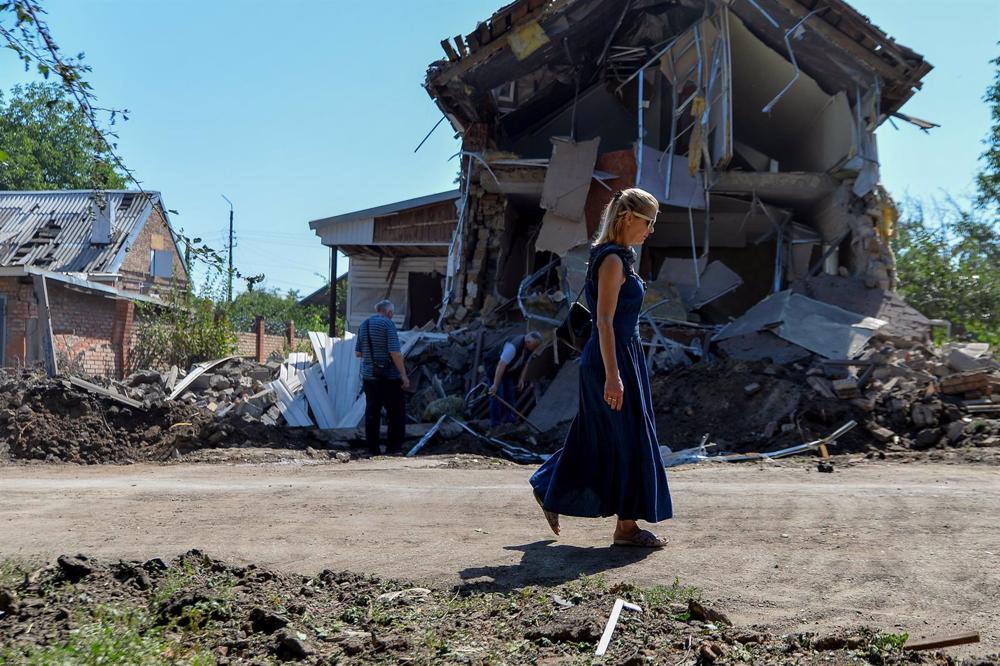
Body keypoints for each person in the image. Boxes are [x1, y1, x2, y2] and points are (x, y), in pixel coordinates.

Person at [529, 188, 672, 548]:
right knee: (619, 438)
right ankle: (622, 526)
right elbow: (604, 321)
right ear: (627, 219)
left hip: (625, 355)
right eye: (648, 222)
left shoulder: (622, 257)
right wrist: (613, 376)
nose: (651, 230)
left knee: (614, 437)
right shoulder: (612, 261)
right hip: (612, 359)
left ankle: (556, 489)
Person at [355, 300, 410, 455]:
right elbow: (395, 353)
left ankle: (373, 450)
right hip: (388, 377)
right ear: (390, 313)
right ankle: (394, 449)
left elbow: (358, 353)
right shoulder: (388, 324)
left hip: (369, 377)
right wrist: (404, 375)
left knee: (372, 412)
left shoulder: (364, 325)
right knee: (396, 412)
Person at [487, 331, 543, 426]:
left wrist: (521, 378)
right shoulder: (512, 347)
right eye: (534, 346)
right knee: (497, 394)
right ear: (528, 342)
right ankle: (495, 424)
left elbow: (526, 363)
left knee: (510, 393)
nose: (535, 348)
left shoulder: (529, 348)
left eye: (536, 346)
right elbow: (501, 365)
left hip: (507, 369)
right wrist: (495, 385)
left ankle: (510, 418)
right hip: (494, 367)